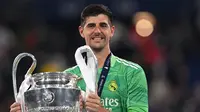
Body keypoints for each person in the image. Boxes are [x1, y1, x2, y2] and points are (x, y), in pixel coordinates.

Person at [10, 4, 148, 112]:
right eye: (91, 26)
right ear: (82, 31)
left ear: (112, 31)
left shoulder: (132, 73)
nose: (97, 31)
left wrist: (100, 110)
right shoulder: (67, 78)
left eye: (103, 26)